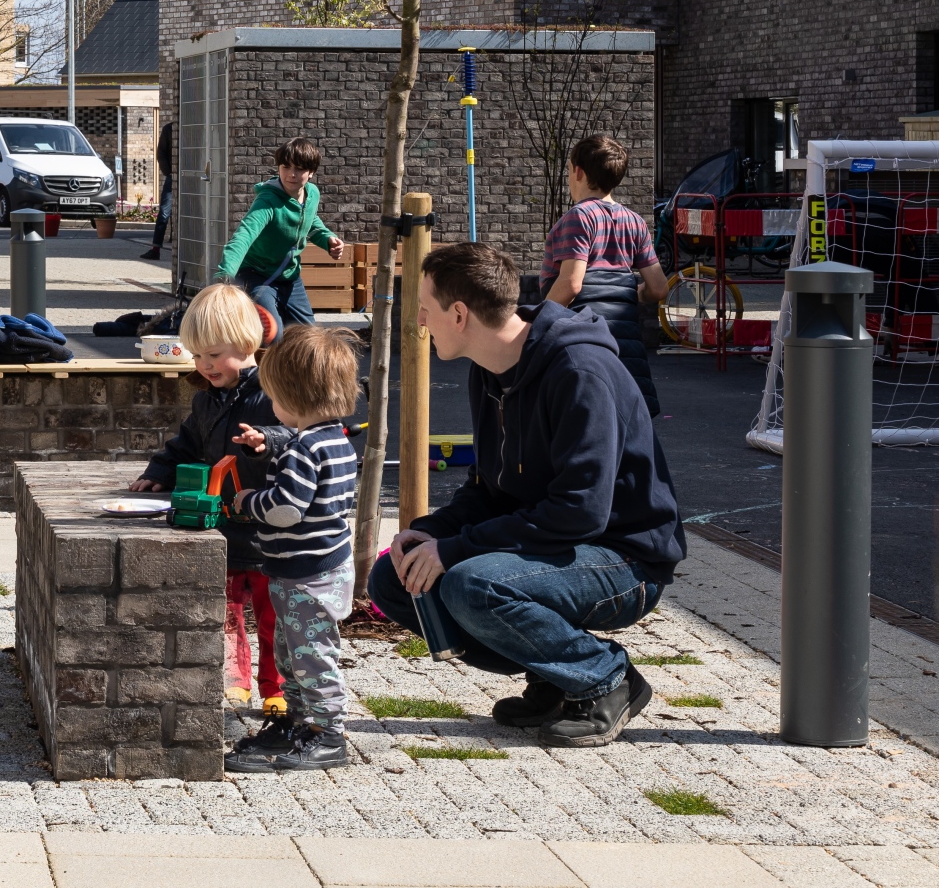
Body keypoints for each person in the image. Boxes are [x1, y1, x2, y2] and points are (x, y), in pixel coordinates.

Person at [367, 242, 684, 748]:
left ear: (459, 313)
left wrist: (454, 550)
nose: (420, 318)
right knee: (393, 579)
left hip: (625, 559)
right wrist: (430, 532)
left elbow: (580, 510)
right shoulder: (489, 370)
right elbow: (489, 490)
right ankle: (558, 677)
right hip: (555, 545)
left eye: (424, 304)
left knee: (473, 584)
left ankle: (605, 677)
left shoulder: (579, 372)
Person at [128, 283, 283, 717]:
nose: (205, 365)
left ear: (247, 343)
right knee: (228, 613)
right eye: (197, 355)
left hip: (270, 530)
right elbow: (186, 445)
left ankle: (277, 687)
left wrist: (266, 441)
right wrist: (158, 473)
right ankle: (235, 681)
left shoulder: (272, 396)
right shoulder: (207, 401)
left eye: (214, 355)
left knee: (274, 621)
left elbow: (296, 438)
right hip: (224, 527)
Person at [221, 325, 364, 773]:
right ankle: (301, 723)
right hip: (316, 567)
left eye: (275, 398)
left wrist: (247, 503)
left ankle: (327, 734)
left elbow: (286, 510)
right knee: (292, 650)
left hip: (306, 572)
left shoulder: (302, 450)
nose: (272, 407)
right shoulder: (335, 440)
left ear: (293, 399)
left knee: (311, 654)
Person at [541, 133, 668, 417]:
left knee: (587, 418)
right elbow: (659, 288)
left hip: (583, 339)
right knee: (625, 422)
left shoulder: (578, 217)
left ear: (578, 171)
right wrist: (631, 294)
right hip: (625, 345)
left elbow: (571, 284)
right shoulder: (634, 221)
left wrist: (539, 324)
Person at [219, 138, 343, 327]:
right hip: (257, 276)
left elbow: (308, 221)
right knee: (272, 332)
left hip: (290, 277)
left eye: (299, 168)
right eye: (286, 167)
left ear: (311, 172)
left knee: (309, 338)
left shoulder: (312, 194)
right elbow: (243, 236)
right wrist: (224, 276)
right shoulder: (267, 201)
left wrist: (327, 239)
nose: (291, 174)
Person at [144, 116, 175, 261]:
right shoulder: (169, 129)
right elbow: (160, 152)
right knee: (164, 213)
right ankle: (155, 248)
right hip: (173, 177)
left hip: (190, 178)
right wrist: (168, 172)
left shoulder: (193, 128)